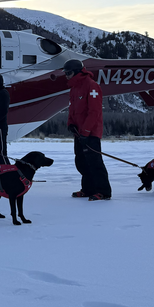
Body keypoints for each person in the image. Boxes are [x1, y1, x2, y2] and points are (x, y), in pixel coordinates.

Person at [64, 59, 112, 201]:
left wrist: (86, 132)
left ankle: (103, 191)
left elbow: (94, 112)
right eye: (65, 73)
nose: (66, 76)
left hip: (91, 133)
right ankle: (88, 189)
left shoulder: (92, 86)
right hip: (79, 133)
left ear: (77, 71)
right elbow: (72, 109)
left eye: (68, 73)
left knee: (94, 162)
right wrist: (71, 123)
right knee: (81, 162)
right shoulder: (74, 88)